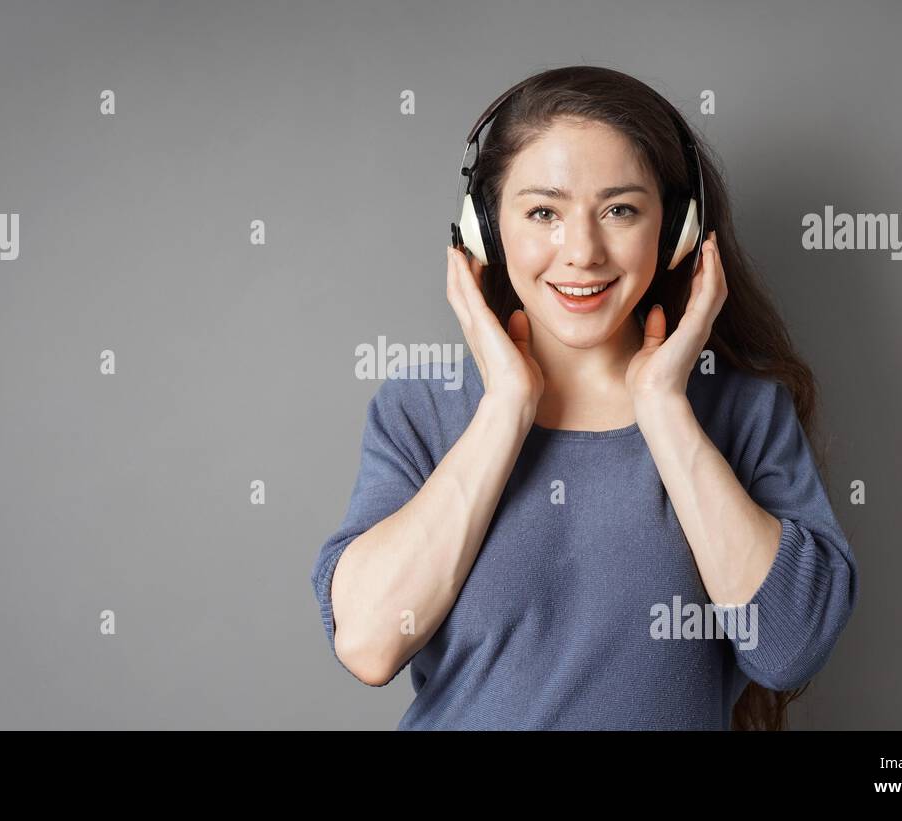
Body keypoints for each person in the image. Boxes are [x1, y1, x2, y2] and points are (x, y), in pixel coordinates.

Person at [310, 65, 858, 730]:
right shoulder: (420, 411)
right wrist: (505, 408)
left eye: (620, 210)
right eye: (543, 212)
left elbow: (789, 647)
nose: (583, 252)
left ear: (677, 230)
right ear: (485, 228)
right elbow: (368, 642)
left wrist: (663, 409)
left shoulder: (741, 414)